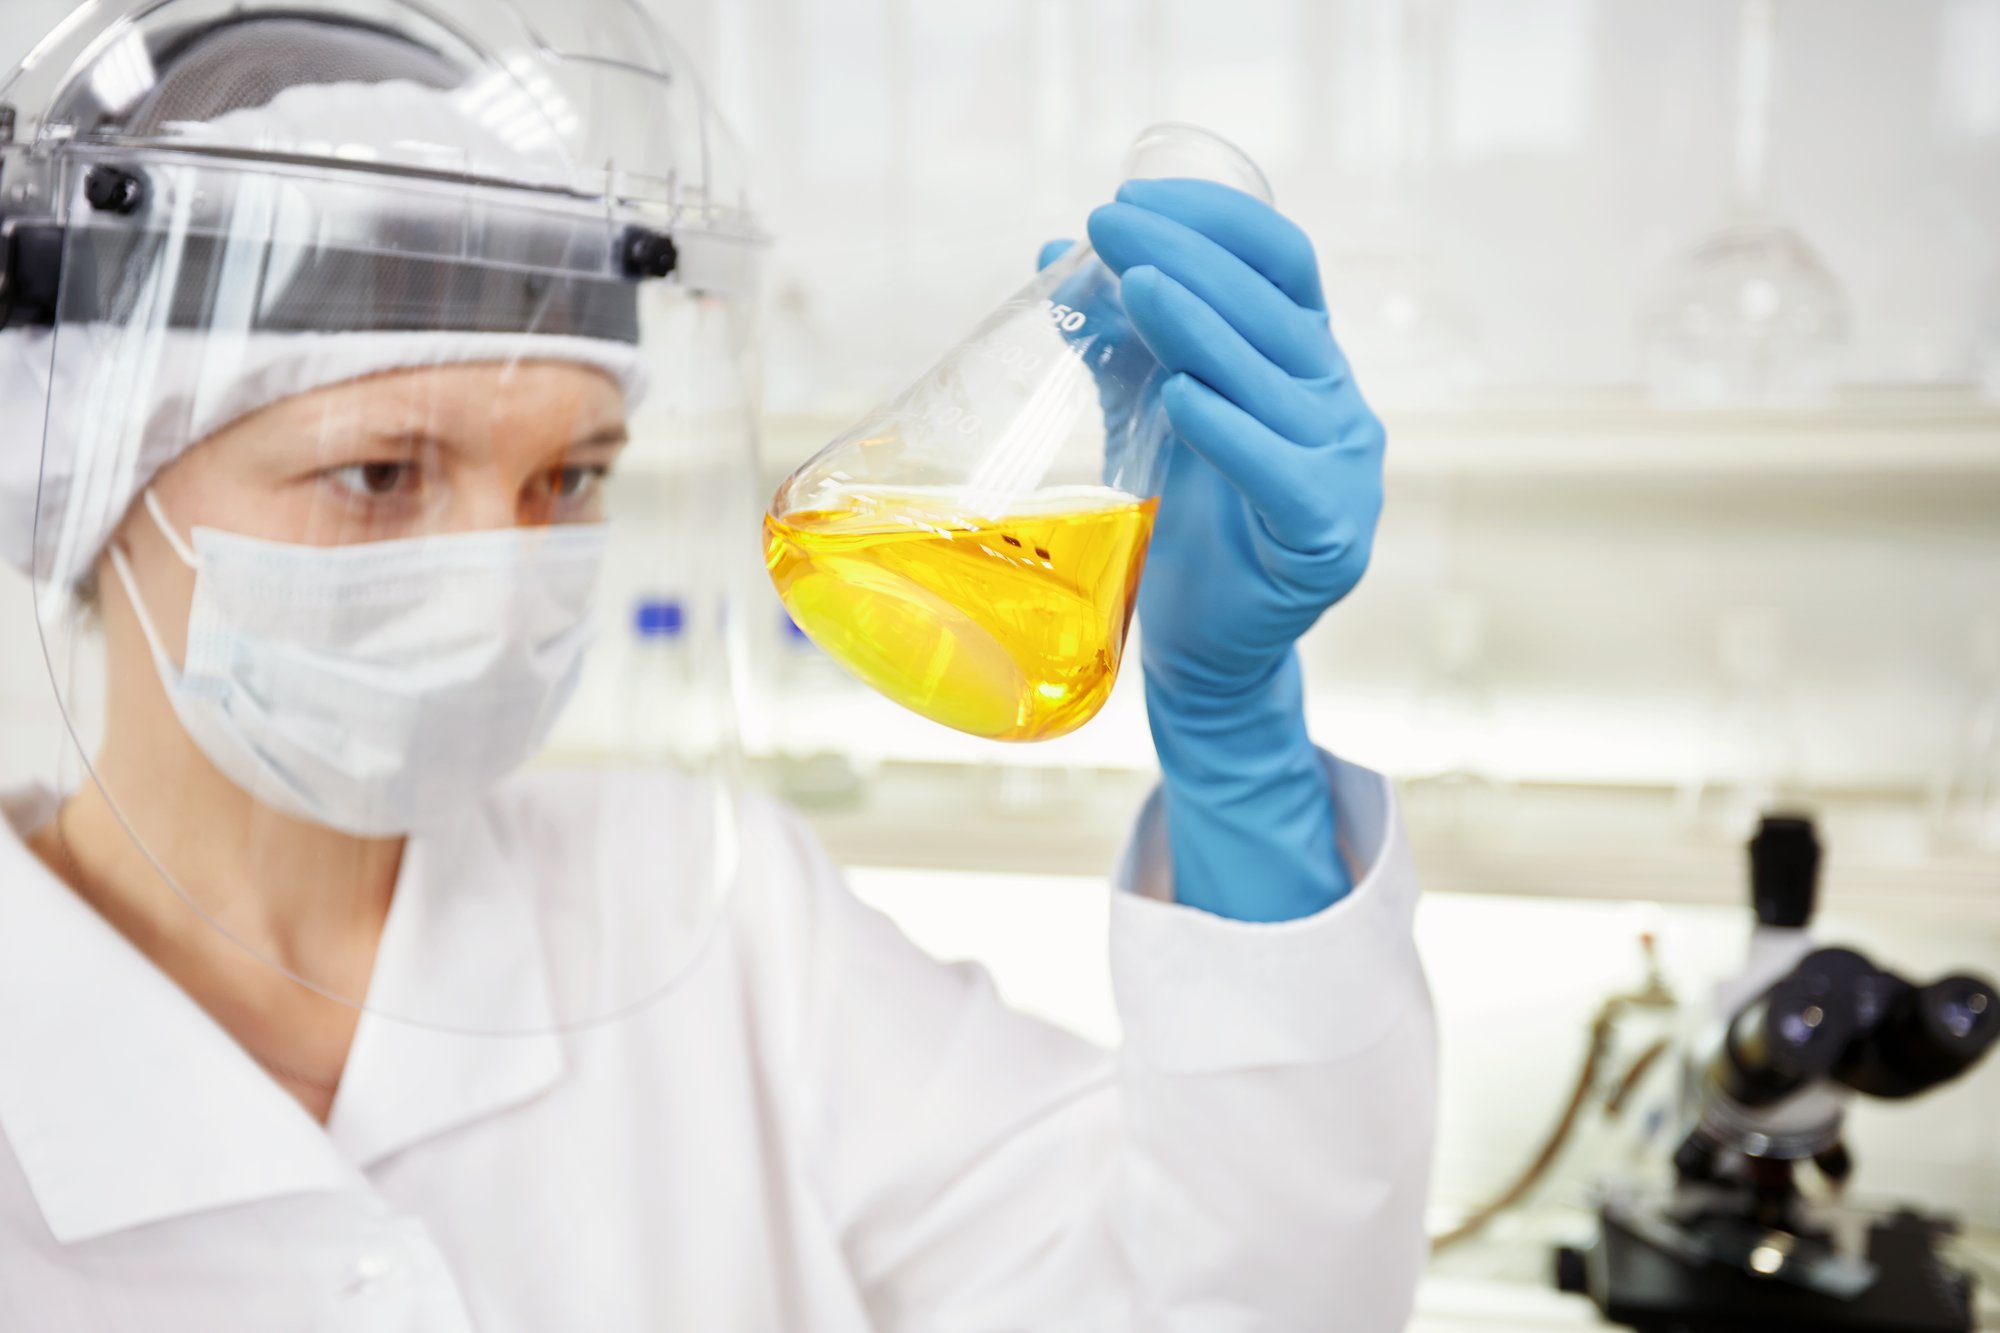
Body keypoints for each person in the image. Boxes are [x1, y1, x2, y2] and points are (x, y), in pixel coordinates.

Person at [0, 2, 1432, 1329]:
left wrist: (1232, 745)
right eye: (379, 471)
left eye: (570, 476)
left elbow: (1221, 1299)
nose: (505, 584)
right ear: (79, 484)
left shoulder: (701, 899)